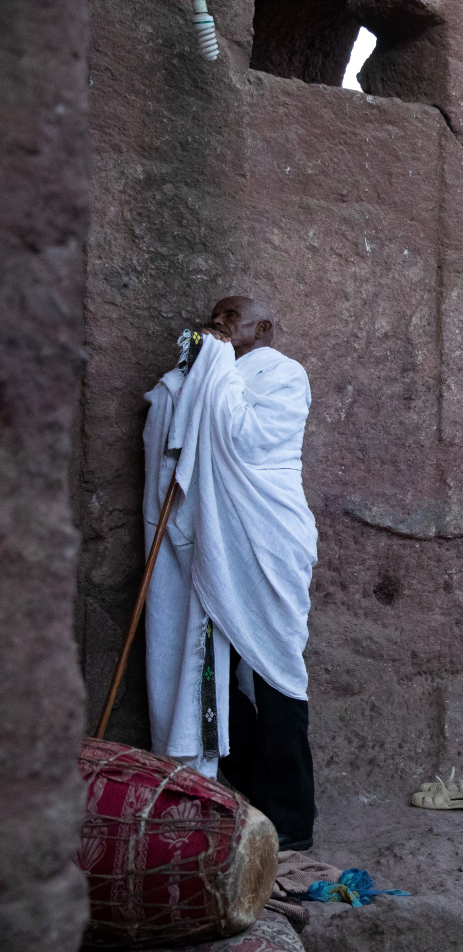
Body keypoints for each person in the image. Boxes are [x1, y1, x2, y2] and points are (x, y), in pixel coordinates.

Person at [142, 296, 319, 850]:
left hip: (269, 538)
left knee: (277, 675)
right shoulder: (210, 375)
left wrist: (211, 368)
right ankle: (251, 794)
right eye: (214, 320)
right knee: (211, 676)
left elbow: (246, 439)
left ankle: (294, 821)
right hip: (214, 547)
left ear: (262, 327)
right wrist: (187, 383)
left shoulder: (285, 375)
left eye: (229, 320)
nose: (217, 328)